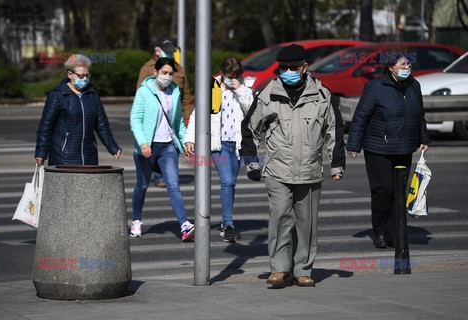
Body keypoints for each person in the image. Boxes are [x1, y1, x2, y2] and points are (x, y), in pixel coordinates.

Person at [241, 44, 345, 287]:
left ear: (305, 67)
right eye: (284, 68)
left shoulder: (322, 94)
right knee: (280, 218)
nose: (288, 71)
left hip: (310, 171)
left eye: (293, 67)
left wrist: (336, 165)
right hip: (278, 170)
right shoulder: (268, 94)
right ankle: (279, 269)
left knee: (306, 224)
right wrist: (252, 163)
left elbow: (334, 130)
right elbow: (249, 129)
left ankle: (302, 269)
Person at [346, 46, 430, 249]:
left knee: (399, 192)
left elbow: (419, 114)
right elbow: (361, 117)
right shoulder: (375, 87)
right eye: (402, 64)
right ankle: (380, 231)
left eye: (408, 63)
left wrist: (423, 138)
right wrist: (354, 145)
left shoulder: (414, 86)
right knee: (383, 190)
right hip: (379, 148)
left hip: (404, 147)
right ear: (390, 67)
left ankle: (395, 234)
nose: (407, 67)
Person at [184, 58, 254, 242]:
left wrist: (239, 88)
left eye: (235, 76)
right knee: (227, 181)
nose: (232, 79)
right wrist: (190, 139)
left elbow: (251, 110)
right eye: (229, 76)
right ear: (222, 74)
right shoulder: (212, 87)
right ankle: (228, 224)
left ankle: (226, 221)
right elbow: (197, 113)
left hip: (236, 144)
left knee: (231, 184)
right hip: (218, 144)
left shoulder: (244, 88)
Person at [130, 57, 194, 241]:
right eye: (164, 73)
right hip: (147, 147)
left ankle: (184, 224)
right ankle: (136, 220)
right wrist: (142, 143)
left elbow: (178, 122)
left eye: (170, 74)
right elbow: (135, 119)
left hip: (167, 147)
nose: (167, 77)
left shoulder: (174, 92)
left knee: (173, 185)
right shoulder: (144, 91)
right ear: (155, 72)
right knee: (142, 186)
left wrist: (185, 141)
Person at [35, 54, 121, 166]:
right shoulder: (57, 95)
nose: (85, 79)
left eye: (87, 75)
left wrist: (113, 147)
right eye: (81, 76)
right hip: (63, 157)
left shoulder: (92, 94)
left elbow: (101, 124)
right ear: (70, 74)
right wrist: (41, 152)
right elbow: (46, 126)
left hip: (89, 156)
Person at [137, 36, 194, 188]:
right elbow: (140, 96)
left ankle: (166, 174)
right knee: (157, 147)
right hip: (155, 120)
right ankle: (159, 175)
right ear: (157, 51)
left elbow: (186, 96)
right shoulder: (147, 69)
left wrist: (188, 117)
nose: (170, 55)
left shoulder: (179, 69)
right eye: (167, 52)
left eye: (172, 52)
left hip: (175, 118)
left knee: (173, 148)